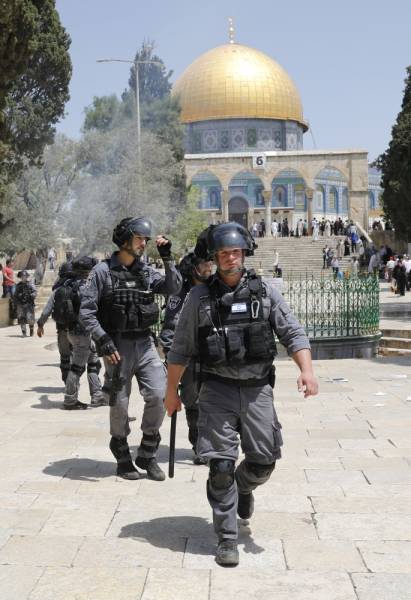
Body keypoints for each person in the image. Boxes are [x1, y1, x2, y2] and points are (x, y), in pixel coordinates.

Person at [164, 222, 318, 567]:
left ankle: (243, 487)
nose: (230, 258)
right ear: (215, 258)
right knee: (219, 465)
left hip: (256, 389)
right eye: (223, 253)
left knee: (264, 461)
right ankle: (227, 537)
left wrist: (306, 371)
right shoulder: (199, 297)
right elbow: (181, 349)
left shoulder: (264, 292)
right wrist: (171, 392)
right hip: (216, 389)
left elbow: (292, 332)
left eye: (235, 252)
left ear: (244, 253)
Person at [79, 216, 182, 481]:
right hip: (116, 346)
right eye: (140, 239)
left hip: (145, 343)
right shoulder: (102, 272)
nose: (144, 244)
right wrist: (102, 339)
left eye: (146, 240)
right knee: (119, 403)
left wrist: (168, 258)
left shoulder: (145, 271)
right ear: (125, 239)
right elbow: (86, 312)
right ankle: (121, 449)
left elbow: (174, 288)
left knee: (160, 395)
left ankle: (147, 451)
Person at [159, 251, 213, 464]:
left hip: (211, 352)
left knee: (214, 400)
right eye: (204, 264)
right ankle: (199, 443)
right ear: (193, 268)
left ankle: (214, 443)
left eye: (210, 263)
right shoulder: (181, 292)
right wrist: (171, 355)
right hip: (188, 355)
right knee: (192, 399)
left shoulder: (214, 287)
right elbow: (172, 323)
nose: (209, 268)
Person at [59, 256, 105, 410]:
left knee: (93, 362)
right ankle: (70, 399)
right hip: (82, 333)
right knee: (77, 367)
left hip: (74, 331)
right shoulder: (86, 287)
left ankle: (97, 395)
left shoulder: (68, 285)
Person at [37, 262, 74, 383]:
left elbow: (46, 311)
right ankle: (73, 384)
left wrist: (40, 325)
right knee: (78, 359)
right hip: (79, 331)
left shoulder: (57, 291)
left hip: (63, 330)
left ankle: (66, 382)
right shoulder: (82, 288)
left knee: (64, 357)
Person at [14, 270, 36, 337]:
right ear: (20, 277)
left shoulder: (30, 284)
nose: (24, 277)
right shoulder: (18, 286)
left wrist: (31, 295)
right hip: (21, 304)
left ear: (27, 277)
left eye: (25, 276)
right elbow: (15, 295)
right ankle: (24, 332)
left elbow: (34, 292)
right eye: (22, 276)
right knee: (21, 318)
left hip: (29, 304)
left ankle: (31, 329)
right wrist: (19, 296)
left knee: (30, 318)